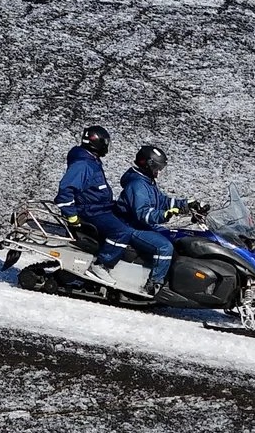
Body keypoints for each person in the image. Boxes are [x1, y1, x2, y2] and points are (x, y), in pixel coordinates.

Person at [54, 126, 168, 289]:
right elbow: (66, 190)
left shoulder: (90, 159)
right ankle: (101, 265)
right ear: (97, 142)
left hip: (99, 206)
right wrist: (71, 215)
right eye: (106, 143)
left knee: (125, 220)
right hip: (90, 210)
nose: (107, 147)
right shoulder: (83, 164)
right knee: (122, 231)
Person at [119, 144, 209, 302]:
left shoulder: (146, 181)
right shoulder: (137, 185)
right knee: (164, 247)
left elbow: (162, 201)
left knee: (174, 237)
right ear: (148, 164)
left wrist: (186, 204)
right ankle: (154, 285)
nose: (160, 172)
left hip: (142, 225)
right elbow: (143, 214)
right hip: (131, 226)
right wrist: (165, 215)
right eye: (158, 168)